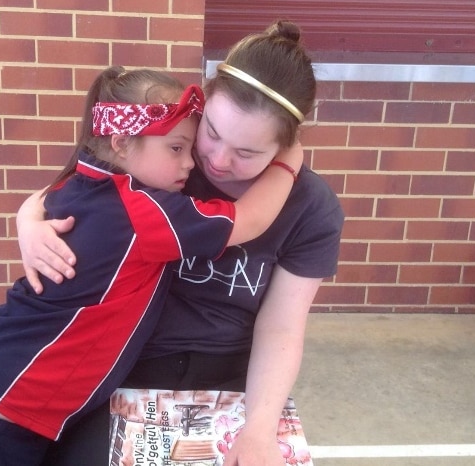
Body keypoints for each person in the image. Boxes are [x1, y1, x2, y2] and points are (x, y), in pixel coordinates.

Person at [0, 66, 302, 466]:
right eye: (176, 149)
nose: (191, 164)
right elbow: (250, 219)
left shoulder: (83, 180)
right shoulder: (142, 213)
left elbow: (43, 195)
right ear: (121, 142)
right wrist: (287, 162)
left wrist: (26, 217)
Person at [18, 21, 344, 466]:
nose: (216, 160)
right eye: (211, 130)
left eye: (247, 154)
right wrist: (28, 216)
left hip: (229, 373)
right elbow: (87, 188)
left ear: (286, 148)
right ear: (203, 104)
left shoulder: (311, 207)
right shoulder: (169, 159)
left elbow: (283, 327)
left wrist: (260, 429)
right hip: (127, 360)